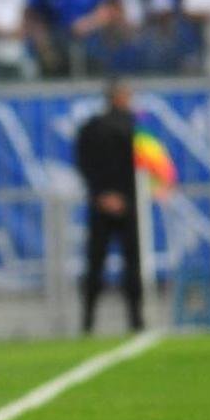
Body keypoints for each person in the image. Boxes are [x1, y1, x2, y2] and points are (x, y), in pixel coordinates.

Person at [75, 80, 144, 333]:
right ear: (117, 97)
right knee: (128, 263)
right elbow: (136, 167)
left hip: (101, 203)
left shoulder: (90, 127)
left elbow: (83, 165)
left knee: (96, 263)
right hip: (124, 203)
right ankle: (135, 320)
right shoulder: (133, 128)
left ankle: (88, 321)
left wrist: (100, 195)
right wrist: (119, 196)